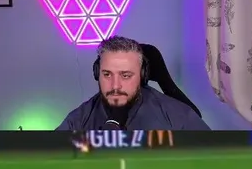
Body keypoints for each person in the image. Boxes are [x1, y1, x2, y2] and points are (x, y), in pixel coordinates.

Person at [55, 36, 208, 131]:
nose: (115, 86)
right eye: (107, 74)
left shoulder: (177, 116)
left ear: (142, 75)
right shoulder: (79, 120)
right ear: (97, 73)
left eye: (126, 75)